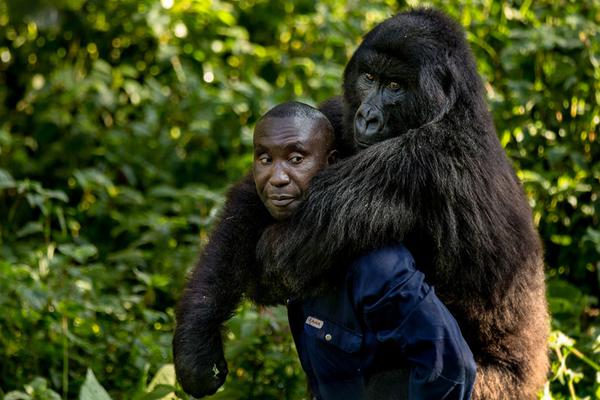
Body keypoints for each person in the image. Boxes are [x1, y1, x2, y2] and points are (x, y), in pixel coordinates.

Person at [252, 101, 476, 400]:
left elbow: (452, 368)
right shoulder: (300, 251)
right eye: (265, 159)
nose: (278, 178)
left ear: (330, 164)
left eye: (295, 159)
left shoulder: (375, 264)